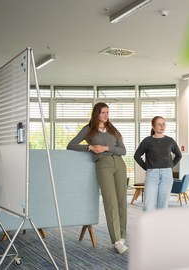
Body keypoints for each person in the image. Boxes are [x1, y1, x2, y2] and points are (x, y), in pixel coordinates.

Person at [67, 102, 128, 254]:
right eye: (103, 113)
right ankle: (116, 241)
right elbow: (71, 145)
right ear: (96, 114)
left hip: (120, 165)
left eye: (108, 112)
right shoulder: (89, 130)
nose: (106, 115)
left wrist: (106, 148)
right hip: (103, 165)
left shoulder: (113, 130)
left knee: (122, 202)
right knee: (110, 202)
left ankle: (122, 236)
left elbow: (123, 150)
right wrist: (89, 147)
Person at [134, 116, 182, 212]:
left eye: (163, 124)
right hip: (152, 175)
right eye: (159, 124)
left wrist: (171, 166)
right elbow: (137, 156)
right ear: (153, 126)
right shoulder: (147, 141)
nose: (162, 126)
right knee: (148, 206)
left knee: (163, 207)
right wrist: (147, 167)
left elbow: (179, 155)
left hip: (167, 175)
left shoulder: (170, 141)